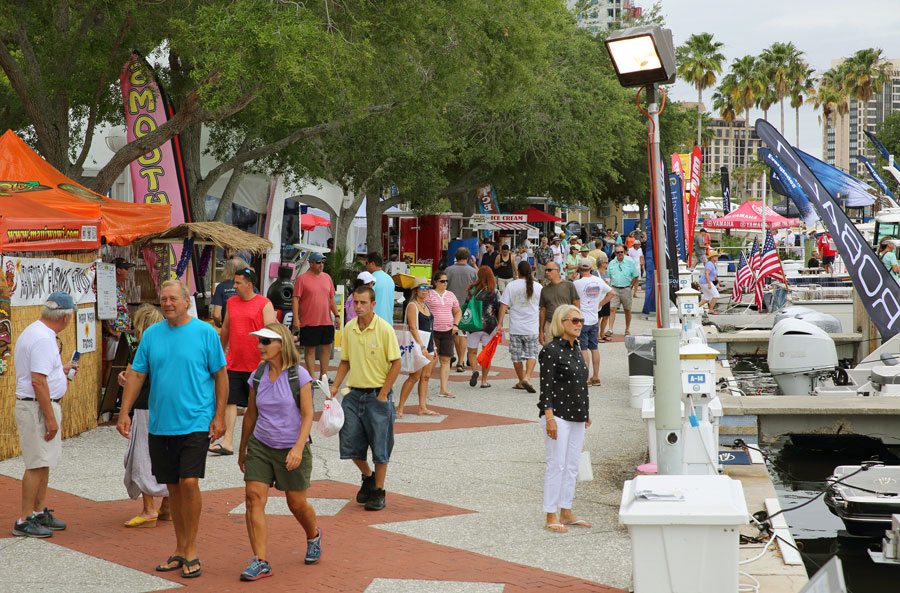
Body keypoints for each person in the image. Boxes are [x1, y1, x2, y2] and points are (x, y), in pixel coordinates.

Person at [117, 279, 228, 578]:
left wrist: (220, 416)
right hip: (161, 423)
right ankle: (180, 548)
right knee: (175, 487)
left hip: (195, 422)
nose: (167, 303)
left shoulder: (206, 333)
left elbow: (221, 376)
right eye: (163, 299)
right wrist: (124, 411)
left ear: (185, 301)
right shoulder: (152, 335)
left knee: (189, 483)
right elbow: (137, 374)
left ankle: (191, 550)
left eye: (172, 299)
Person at [237, 324, 321, 580]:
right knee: (253, 499)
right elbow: (251, 414)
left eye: (266, 342)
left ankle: (313, 535)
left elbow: (308, 415)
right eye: (260, 341)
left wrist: (298, 447)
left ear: (281, 344)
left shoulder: (300, 375)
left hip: (291, 446)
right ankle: (261, 560)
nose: (260, 346)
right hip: (261, 444)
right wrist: (243, 449)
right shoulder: (258, 375)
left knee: (296, 504)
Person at [330, 286, 402, 511]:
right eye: (356, 303)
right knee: (349, 444)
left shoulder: (384, 329)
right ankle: (367, 477)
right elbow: (345, 361)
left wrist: (383, 394)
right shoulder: (349, 328)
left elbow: (396, 363)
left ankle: (378, 491)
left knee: (380, 448)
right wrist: (334, 386)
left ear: (373, 304)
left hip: (377, 395)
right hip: (353, 394)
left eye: (363, 303)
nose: (359, 307)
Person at [12, 292, 78, 538]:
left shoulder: (39, 333)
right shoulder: (43, 339)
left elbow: (41, 374)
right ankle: (24, 518)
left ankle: (38, 512)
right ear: (66, 316)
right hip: (37, 407)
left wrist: (60, 371)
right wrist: (50, 417)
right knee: (36, 463)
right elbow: (38, 381)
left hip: (38, 404)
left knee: (44, 461)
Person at [539, 305, 592, 533]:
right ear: (562, 323)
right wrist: (549, 417)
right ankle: (551, 514)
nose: (579, 324)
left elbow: (580, 383)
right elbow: (546, 387)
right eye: (574, 320)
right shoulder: (551, 350)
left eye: (580, 320)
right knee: (556, 465)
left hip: (577, 415)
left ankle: (566, 510)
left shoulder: (576, 347)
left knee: (571, 466)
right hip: (558, 415)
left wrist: (586, 412)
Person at [213, 267, 276, 456]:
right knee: (230, 401)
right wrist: (219, 354)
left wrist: (272, 360)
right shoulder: (231, 302)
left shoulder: (265, 304)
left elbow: (272, 333)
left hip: (257, 364)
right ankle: (228, 442)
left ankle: (251, 443)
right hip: (233, 361)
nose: (234, 286)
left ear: (249, 285)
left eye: (238, 283)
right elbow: (225, 329)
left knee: (253, 404)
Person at [119, 305, 170, 528]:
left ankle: (149, 509)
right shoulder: (169, 346)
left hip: (144, 406)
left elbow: (132, 377)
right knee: (168, 454)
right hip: (168, 407)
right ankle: (168, 505)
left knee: (143, 456)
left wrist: (124, 380)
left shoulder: (140, 347)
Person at [292, 252, 340, 379]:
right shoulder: (302, 279)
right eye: (318, 262)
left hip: (326, 320)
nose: (321, 265)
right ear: (311, 264)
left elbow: (332, 298)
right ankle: (311, 376)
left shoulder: (327, 278)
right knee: (310, 349)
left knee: (327, 348)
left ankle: (323, 375)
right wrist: (296, 319)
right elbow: (295, 299)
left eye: (323, 262)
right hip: (309, 321)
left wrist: (337, 315)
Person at [497, 261, 542, 393]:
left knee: (516, 357)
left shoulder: (511, 286)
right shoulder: (538, 287)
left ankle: (521, 379)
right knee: (532, 354)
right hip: (532, 327)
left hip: (516, 327)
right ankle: (527, 377)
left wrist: (500, 323)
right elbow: (542, 307)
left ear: (518, 272)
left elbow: (503, 305)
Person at [397, 277, 437, 417]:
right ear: (415, 290)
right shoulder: (412, 305)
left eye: (427, 287)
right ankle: (400, 407)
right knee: (414, 376)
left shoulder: (426, 305)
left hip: (428, 343)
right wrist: (422, 346)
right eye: (422, 287)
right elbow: (413, 328)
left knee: (426, 376)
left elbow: (430, 327)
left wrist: (433, 345)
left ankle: (422, 407)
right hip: (418, 344)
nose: (425, 290)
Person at [574, 259, 614, 386]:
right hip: (593, 318)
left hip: (582, 318)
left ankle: (586, 378)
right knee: (594, 348)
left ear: (579, 269)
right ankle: (596, 376)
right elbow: (611, 293)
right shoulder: (598, 280)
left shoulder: (577, 283)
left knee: (584, 348)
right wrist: (599, 304)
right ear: (591, 268)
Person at [424, 270, 462, 398]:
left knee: (446, 359)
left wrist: (456, 324)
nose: (445, 283)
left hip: (448, 330)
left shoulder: (450, 295)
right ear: (435, 282)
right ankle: (423, 381)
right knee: (432, 359)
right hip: (433, 331)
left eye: (446, 281)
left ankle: (444, 389)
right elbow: (423, 310)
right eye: (442, 281)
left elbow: (457, 311)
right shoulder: (429, 295)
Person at [465, 266, 502, 389]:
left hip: (473, 325)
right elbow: (498, 308)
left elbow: (466, 306)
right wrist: (499, 324)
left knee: (472, 351)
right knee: (487, 354)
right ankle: (484, 381)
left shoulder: (472, 290)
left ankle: (475, 370)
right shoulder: (494, 292)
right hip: (489, 326)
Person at [102, 257, 134, 385]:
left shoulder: (117, 287)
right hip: (116, 334)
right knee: (113, 364)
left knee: (121, 364)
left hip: (122, 332)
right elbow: (103, 310)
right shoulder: (110, 288)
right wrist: (112, 331)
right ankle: (106, 391)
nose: (128, 272)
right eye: (126, 269)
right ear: (119, 270)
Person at [445, 247, 477, 371]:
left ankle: (454, 357)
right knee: (462, 334)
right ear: (468, 258)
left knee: (454, 332)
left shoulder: (448, 270)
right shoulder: (472, 271)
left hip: (450, 305)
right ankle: (460, 361)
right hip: (466, 305)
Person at [538, 262, 579, 346]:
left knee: (568, 350)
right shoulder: (544, 290)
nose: (546, 272)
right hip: (550, 325)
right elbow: (542, 311)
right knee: (550, 350)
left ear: (557, 271)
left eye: (549, 270)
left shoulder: (569, 285)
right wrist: (541, 331)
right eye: (546, 270)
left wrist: (576, 323)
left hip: (566, 323)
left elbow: (576, 304)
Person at [606, 245, 639, 336]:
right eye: (618, 252)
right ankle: (610, 329)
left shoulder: (630, 262)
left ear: (624, 252)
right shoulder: (612, 263)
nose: (620, 254)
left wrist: (631, 286)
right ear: (615, 253)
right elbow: (607, 276)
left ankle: (627, 329)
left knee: (627, 310)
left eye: (621, 252)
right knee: (612, 308)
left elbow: (635, 275)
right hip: (614, 288)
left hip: (626, 288)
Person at [212, 257, 251, 327]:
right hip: (248, 329)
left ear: (227, 270)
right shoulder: (250, 286)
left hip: (229, 329)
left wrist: (220, 325)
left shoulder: (221, 287)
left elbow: (217, 315)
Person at [366, 253, 395, 324]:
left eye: (366, 263)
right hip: (388, 323)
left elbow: (366, 300)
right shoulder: (390, 279)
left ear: (372, 263)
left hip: (374, 323)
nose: (365, 265)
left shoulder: (370, 279)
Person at [597, 256, 612, 341]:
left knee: (606, 316)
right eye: (606, 262)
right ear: (601, 263)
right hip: (600, 296)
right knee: (599, 316)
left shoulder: (606, 272)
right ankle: (597, 335)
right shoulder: (596, 272)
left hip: (606, 295)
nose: (607, 264)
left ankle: (602, 334)